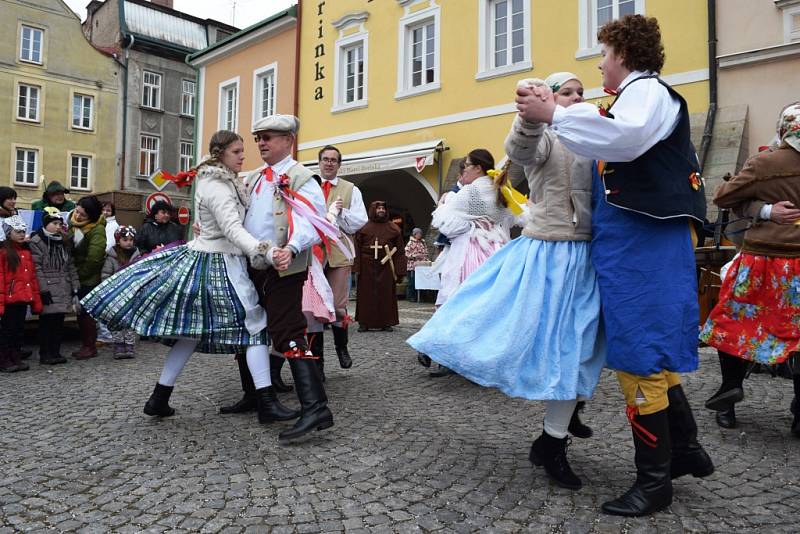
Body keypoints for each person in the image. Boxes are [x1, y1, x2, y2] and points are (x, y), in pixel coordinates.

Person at [515, 14, 713, 516]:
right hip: (632, 243)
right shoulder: (635, 97)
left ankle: (654, 483)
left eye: (603, 54)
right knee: (645, 350)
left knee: (638, 356)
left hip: (641, 244)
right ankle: (685, 451)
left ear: (623, 54)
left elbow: (623, 138)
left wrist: (554, 114)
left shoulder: (646, 93)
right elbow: (588, 144)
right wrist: (541, 117)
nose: (601, 64)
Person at [410, 73, 603, 490]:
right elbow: (520, 149)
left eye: (580, 92)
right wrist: (530, 117)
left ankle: (559, 427)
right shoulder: (547, 135)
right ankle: (554, 440)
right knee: (550, 344)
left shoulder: (594, 136)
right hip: (549, 252)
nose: (576, 98)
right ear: (551, 99)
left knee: (582, 347)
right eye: (565, 92)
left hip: (586, 254)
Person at [82, 130, 297, 425]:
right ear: (221, 154)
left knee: (189, 332)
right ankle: (267, 403)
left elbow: (213, 221)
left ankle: (159, 398)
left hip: (205, 257)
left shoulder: (217, 181)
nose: (243, 155)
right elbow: (232, 230)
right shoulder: (219, 186)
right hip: (220, 262)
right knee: (255, 327)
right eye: (237, 151)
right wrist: (267, 252)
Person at [700, 102, 800, 437]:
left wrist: (765, 209)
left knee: (737, 324)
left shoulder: (766, 162)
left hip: (762, 260)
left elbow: (724, 196)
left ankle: (729, 393)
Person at [240, 114, 335, 444]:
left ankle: (316, 407)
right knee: (248, 328)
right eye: (258, 138)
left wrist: (291, 248)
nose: (261, 143)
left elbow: (313, 221)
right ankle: (256, 395)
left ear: (288, 140)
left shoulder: (301, 177)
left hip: (284, 267)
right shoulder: (254, 178)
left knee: (287, 332)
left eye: (267, 137)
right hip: (252, 265)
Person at [426, 149, 517, 377]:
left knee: (457, 303)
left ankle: (451, 359)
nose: (464, 169)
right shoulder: (500, 190)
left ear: (477, 168)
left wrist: (445, 202)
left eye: (466, 165)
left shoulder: (471, 192)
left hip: (471, 252)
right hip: (497, 252)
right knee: (490, 308)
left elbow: (446, 224)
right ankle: (485, 360)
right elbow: (516, 217)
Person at [318, 145, 368, 370]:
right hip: (313, 252)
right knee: (314, 307)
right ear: (319, 162)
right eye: (325, 159)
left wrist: (340, 212)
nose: (329, 163)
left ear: (339, 165)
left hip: (339, 250)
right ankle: (316, 360)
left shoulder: (350, 190)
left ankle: (341, 346)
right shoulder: (309, 186)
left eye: (333, 160)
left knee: (338, 306)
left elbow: (360, 221)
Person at [30, 208, 80, 365]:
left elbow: (70, 265)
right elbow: (37, 268)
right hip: (48, 287)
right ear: (46, 224)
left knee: (59, 322)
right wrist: (43, 289)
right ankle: (45, 353)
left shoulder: (64, 241)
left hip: (63, 285)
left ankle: (55, 351)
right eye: (54, 223)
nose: (58, 226)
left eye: (60, 223)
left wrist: (75, 286)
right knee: (47, 323)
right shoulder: (37, 241)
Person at [353, 201, 407, 332]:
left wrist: (400, 270)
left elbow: (399, 250)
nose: (381, 210)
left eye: (383, 208)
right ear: (373, 210)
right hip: (367, 266)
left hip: (386, 266)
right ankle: (364, 322)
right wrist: (357, 268)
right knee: (366, 295)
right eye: (378, 208)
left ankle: (386, 322)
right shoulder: (363, 227)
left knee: (386, 294)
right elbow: (357, 249)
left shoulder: (393, 228)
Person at [0, 215, 42, 372]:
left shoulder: (26, 253)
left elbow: (31, 278)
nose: (21, 234)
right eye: (17, 231)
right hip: (9, 300)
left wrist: (35, 300)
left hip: (22, 299)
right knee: (6, 331)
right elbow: (1, 278)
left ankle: (15, 357)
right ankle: (4, 359)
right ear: (9, 232)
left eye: (23, 231)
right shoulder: (4, 252)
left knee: (18, 330)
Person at [69, 196, 107, 360]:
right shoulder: (72, 224)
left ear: (91, 216)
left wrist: (79, 274)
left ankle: (89, 346)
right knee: (80, 313)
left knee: (86, 314)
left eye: (82, 215)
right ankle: (86, 345)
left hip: (88, 278)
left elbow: (95, 258)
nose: (78, 216)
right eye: (77, 211)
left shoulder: (97, 229)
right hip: (76, 274)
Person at [101, 226, 141, 359]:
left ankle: (129, 344)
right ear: (118, 241)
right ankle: (118, 343)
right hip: (115, 294)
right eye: (125, 239)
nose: (129, 242)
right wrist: (108, 288)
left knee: (129, 321)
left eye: (131, 239)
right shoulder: (112, 257)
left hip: (132, 293)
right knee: (115, 320)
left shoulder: (137, 256)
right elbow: (106, 274)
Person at [404, 227, 429, 302]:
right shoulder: (410, 243)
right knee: (412, 282)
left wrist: (426, 259)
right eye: (418, 233)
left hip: (422, 266)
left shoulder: (422, 243)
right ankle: (411, 297)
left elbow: (426, 252)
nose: (419, 235)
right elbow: (406, 254)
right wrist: (414, 256)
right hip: (413, 266)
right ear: (414, 234)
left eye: (420, 233)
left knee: (421, 282)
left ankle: (421, 297)